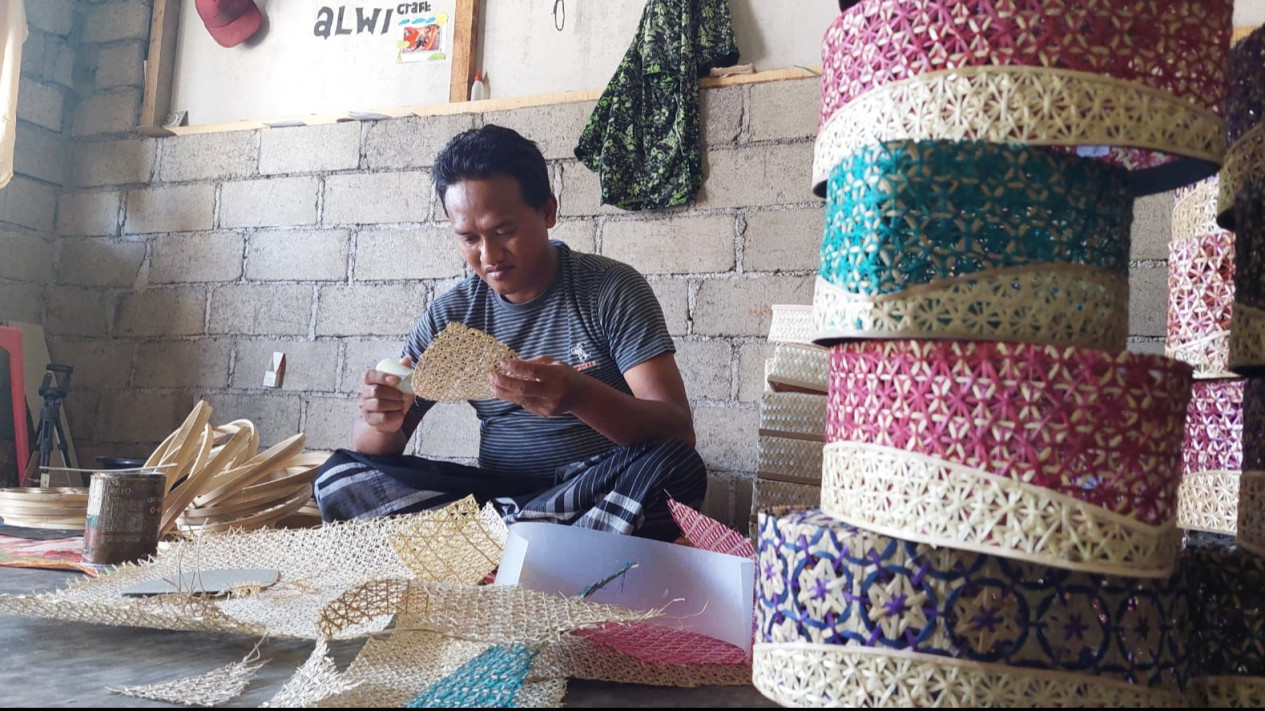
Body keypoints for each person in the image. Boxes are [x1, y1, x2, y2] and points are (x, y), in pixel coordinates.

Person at [313, 124, 707, 541]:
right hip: (502, 498)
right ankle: (537, 543)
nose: (489, 256)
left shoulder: (609, 289)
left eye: (504, 232)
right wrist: (382, 417)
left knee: (675, 468)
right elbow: (377, 449)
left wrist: (579, 396)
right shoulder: (453, 314)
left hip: (596, 487)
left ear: (548, 211)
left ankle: (497, 546)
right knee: (339, 476)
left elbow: (677, 429)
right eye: (468, 239)